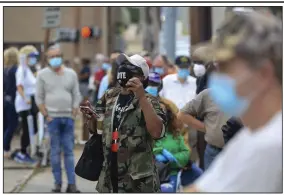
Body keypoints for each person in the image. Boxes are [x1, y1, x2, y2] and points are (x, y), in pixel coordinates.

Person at [184, 10, 282, 192]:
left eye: (227, 68)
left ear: (263, 74)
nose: (218, 77)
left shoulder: (270, 146)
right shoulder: (250, 137)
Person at [82, 53, 167, 193]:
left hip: (138, 180)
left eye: (130, 67)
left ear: (141, 76)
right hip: (110, 174)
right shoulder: (109, 96)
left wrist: (141, 96)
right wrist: (91, 118)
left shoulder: (150, 100)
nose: (124, 70)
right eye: (123, 66)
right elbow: (97, 130)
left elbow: (157, 132)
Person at [35, 45, 81, 193]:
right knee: (55, 151)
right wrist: (46, 115)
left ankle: (72, 184)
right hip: (52, 118)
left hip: (68, 118)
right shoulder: (42, 75)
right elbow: (39, 97)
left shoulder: (71, 74)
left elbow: (76, 94)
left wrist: (74, 112)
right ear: (48, 59)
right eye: (51, 56)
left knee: (68, 151)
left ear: (61, 57)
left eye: (57, 56)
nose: (55, 59)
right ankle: (57, 184)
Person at [146, 73, 203, 190]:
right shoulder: (135, 106)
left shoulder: (169, 105)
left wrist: (178, 158)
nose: (152, 87)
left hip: (172, 170)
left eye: (154, 85)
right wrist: (158, 152)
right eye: (149, 84)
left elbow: (181, 131)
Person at [160, 56, 198, 162]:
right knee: (173, 153)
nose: (183, 70)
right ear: (176, 67)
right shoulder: (167, 81)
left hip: (190, 126)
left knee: (191, 155)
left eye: (186, 67)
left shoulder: (195, 83)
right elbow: (160, 100)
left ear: (190, 68)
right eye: (181, 68)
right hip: (171, 126)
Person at [13, 45, 39, 164]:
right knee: (27, 129)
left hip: (31, 102)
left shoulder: (28, 69)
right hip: (24, 104)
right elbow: (19, 86)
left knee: (33, 128)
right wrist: (25, 98)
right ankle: (23, 152)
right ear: (26, 57)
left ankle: (28, 150)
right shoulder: (21, 70)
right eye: (32, 56)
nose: (34, 59)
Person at [4, 47, 19, 158]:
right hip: (13, 100)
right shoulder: (15, 70)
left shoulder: (5, 70)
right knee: (12, 125)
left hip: (5, 100)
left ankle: (5, 147)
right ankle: (6, 148)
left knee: (5, 125)